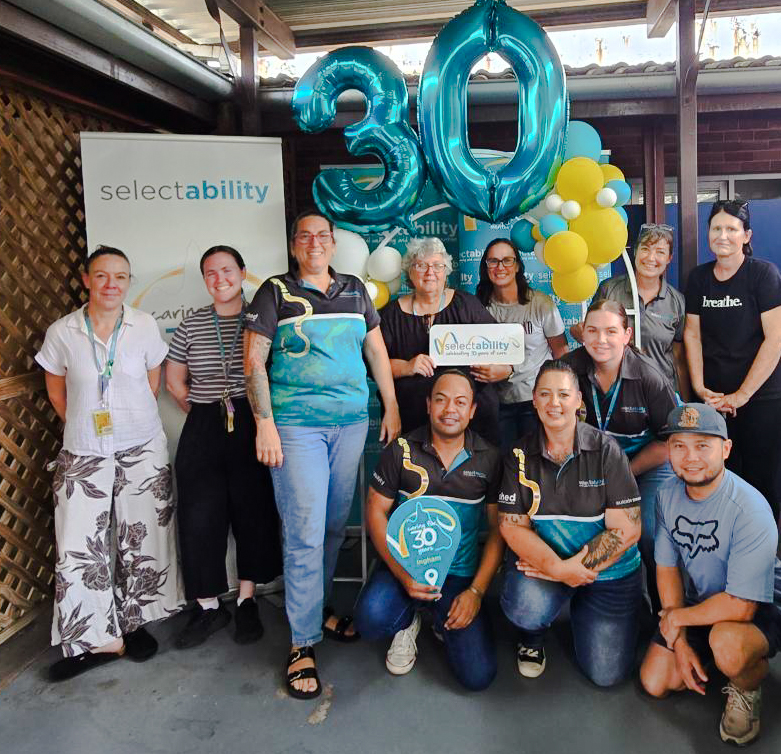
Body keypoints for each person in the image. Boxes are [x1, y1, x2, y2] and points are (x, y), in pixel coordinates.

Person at [244, 211, 401, 700]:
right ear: (294, 246)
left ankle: (317, 608)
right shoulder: (275, 292)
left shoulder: (355, 290)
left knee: (333, 527)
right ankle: (302, 642)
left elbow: (376, 353)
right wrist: (264, 423)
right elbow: (253, 361)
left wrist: (391, 405)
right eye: (305, 236)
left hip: (350, 424)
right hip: (295, 427)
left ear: (333, 244)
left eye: (322, 236)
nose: (314, 243)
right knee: (306, 531)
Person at [36, 246, 181, 681]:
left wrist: (125, 421)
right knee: (79, 545)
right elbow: (57, 391)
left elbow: (152, 383)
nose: (111, 284)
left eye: (120, 277)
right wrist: (88, 424)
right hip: (84, 449)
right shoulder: (62, 332)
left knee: (143, 535)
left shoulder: (144, 325)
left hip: (142, 445)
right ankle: (98, 639)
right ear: (86, 280)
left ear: (128, 282)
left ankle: (136, 622)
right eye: (101, 275)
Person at [640, 403, 781, 746]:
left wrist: (676, 620)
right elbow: (667, 569)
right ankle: (715, 658)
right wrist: (679, 641)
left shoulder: (750, 508)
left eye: (703, 445)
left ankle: (747, 682)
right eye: (679, 446)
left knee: (727, 646)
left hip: (765, 606)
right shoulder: (667, 495)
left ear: (725, 449)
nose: (690, 457)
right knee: (655, 681)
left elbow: (742, 607)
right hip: (705, 603)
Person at [354, 369, 503, 691]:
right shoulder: (401, 450)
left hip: (458, 576)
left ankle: (440, 617)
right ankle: (408, 621)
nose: (450, 409)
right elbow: (375, 511)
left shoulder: (490, 458)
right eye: (441, 400)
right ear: (428, 405)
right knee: (370, 620)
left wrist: (476, 592)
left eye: (460, 402)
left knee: (478, 677)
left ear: (472, 410)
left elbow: (497, 531)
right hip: (404, 566)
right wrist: (402, 573)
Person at [165, 245, 282, 649]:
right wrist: (205, 410)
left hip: (253, 422)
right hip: (204, 425)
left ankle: (247, 599)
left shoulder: (262, 318)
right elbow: (174, 381)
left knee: (253, 512)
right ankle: (208, 606)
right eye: (211, 273)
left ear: (243, 273)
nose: (220, 279)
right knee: (200, 515)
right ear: (204, 280)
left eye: (227, 270)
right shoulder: (192, 324)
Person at [498, 360, 642, 685]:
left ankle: (609, 609)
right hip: (550, 566)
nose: (554, 403)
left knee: (606, 676)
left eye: (563, 394)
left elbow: (628, 529)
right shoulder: (518, 455)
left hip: (608, 572)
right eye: (545, 394)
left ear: (578, 400)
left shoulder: (607, 451)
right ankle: (534, 633)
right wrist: (558, 570)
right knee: (526, 607)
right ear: (534, 400)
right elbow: (511, 525)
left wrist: (574, 570)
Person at [683, 200, 781, 521]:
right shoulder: (699, 278)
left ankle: (762, 547)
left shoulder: (764, 274)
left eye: (731, 229)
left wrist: (742, 395)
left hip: (765, 400)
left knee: (759, 481)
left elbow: (778, 338)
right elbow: (692, 335)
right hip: (716, 402)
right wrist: (700, 389)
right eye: (716, 228)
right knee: (720, 480)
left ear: (746, 236)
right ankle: (725, 541)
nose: (723, 235)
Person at [561, 300, 678, 585]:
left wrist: (622, 474)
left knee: (650, 533)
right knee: (574, 527)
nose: (601, 339)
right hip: (589, 466)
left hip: (645, 465)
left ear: (627, 335)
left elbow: (668, 444)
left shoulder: (650, 377)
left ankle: (663, 605)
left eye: (611, 331)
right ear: (582, 333)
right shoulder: (567, 370)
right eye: (593, 330)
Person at [379, 236, 509, 445]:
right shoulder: (390, 315)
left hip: (474, 420)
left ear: (446, 271)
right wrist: (407, 366)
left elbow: (503, 348)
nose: (430, 272)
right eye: (421, 265)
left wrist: (504, 370)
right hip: (413, 419)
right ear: (409, 272)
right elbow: (376, 365)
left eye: (437, 266)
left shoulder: (467, 305)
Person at [573, 224, 690, 400]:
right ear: (635, 251)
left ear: (669, 258)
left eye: (660, 252)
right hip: (615, 393)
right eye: (645, 249)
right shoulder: (609, 290)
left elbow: (679, 358)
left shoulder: (676, 301)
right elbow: (584, 331)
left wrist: (685, 404)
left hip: (660, 394)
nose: (651, 257)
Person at [476, 237, 570, 446]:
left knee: (535, 459)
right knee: (505, 461)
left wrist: (564, 397)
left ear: (517, 266)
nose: (500, 267)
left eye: (507, 260)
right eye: (493, 261)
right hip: (496, 404)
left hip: (536, 402)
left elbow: (561, 353)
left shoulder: (540, 304)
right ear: (485, 267)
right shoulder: (479, 307)